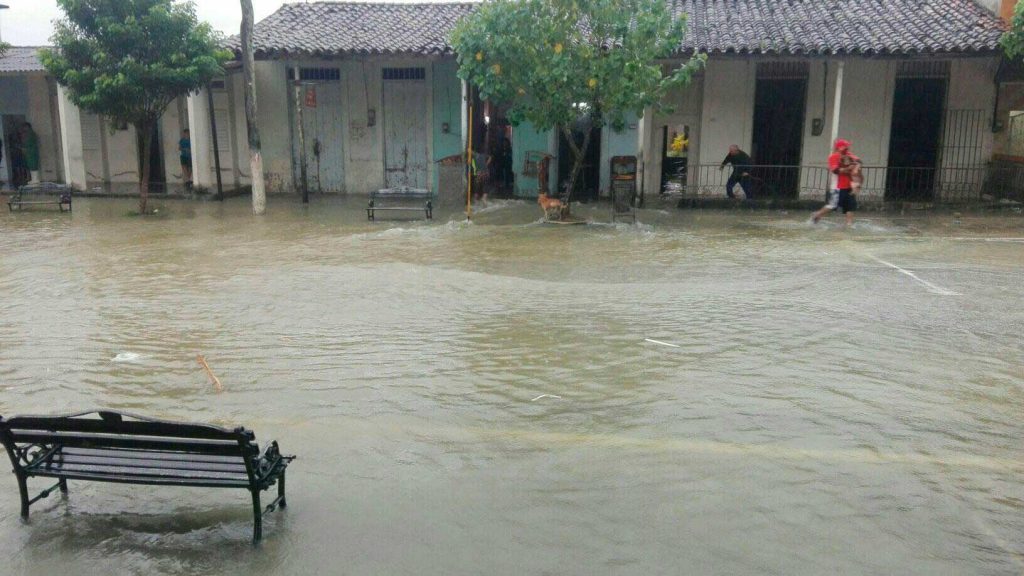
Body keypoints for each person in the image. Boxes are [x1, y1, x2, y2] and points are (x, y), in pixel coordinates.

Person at [812, 138, 859, 226]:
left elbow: (858, 161)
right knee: (833, 205)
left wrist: (855, 166)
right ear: (840, 147)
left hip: (849, 186)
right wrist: (848, 168)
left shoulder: (849, 155)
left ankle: (849, 224)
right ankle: (817, 215)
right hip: (837, 187)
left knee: (851, 205)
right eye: (846, 146)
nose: (848, 148)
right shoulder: (833, 157)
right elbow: (835, 171)